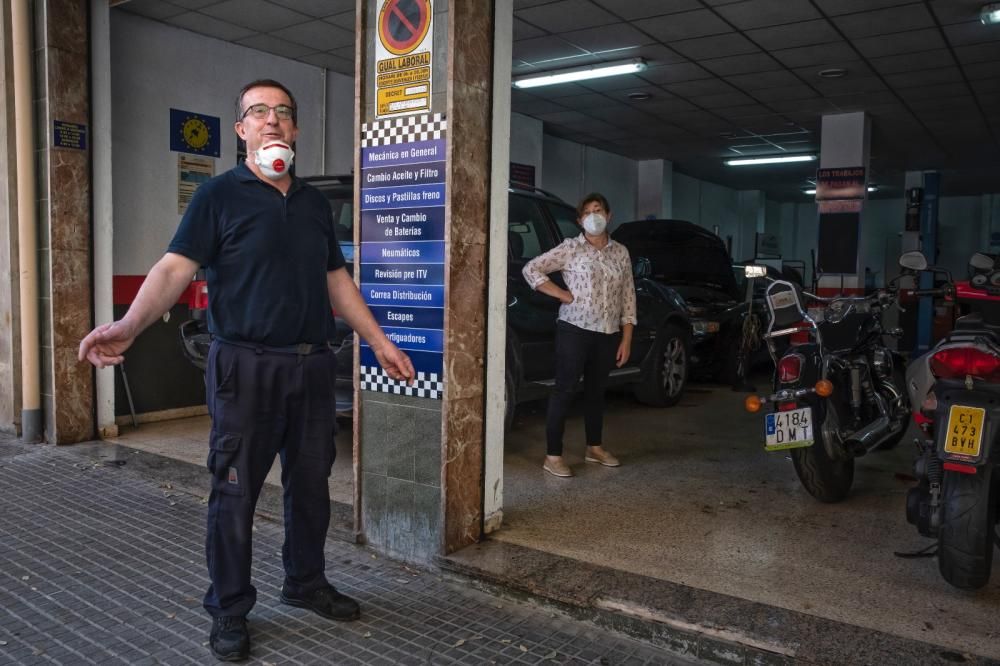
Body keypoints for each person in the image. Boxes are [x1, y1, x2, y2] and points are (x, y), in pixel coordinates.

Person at [78, 79, 415, 663]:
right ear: (241, 130)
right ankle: (230, 608)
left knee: (311, 487)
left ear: (296, 130)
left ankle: (305, 582)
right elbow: (172, 270)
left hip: (310, 369)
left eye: (284, 112)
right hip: (244, 369)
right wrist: (128, 326)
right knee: (234, 492)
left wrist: (378, 341)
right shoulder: (217, 196)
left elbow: (337, 282)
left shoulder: (311, 204)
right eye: (259, 112)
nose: (273, 122)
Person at [522, 193, 636, 478]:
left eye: (598, 210)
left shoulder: (620, 252)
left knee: (596, 393)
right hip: (574, 329)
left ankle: (594, 448)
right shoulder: (571, 248)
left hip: (607, 333)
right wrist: (561, 294)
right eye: (587, 212)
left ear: (608, 216)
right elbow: (531, 268)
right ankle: (553, 455)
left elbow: (628, 296)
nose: (593, 216)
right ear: (580, 220)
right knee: (565, 390)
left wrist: (626, 338)